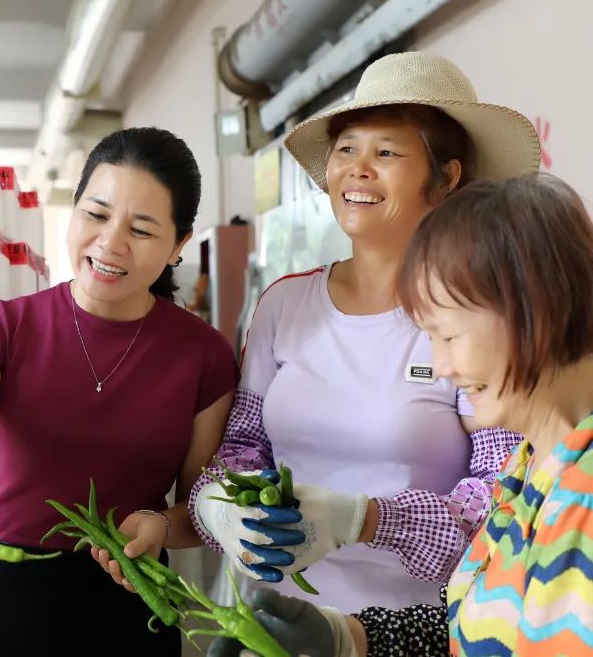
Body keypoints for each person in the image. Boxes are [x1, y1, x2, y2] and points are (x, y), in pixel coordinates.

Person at [192, 51, 543, 616]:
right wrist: (219, 505)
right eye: (347, 150)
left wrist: (363, 520)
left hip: (417, 630)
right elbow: (242, 446)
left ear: (446, 178)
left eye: (386, 153)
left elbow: (502, 505)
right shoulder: (284, 305)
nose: (358, 168)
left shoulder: (476, 321)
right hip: (271, 623)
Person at [217, 172, 593, 656]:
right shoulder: (525, 469)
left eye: (449, 336)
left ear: (534, 310)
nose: (441, 367)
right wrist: (348, 637)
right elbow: (480, 624)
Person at [0, 127, 239, 656]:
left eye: (141, 228)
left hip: (133, 599)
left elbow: (202, 507)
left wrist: (160, 525)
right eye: (96, 214)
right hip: (5, 594)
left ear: (179, 245)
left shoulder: (203, 355)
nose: (111, 243)